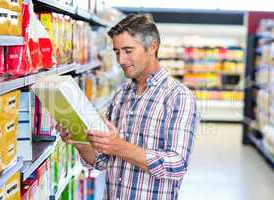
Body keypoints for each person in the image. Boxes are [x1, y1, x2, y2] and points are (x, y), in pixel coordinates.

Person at [57, 13, 198, 200]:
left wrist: (119, 147)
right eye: (116, 52)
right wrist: (80, 142)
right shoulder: (121, 95)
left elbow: (177, 165)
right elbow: (102, 161)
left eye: (128, 50)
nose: (121, 60)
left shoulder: (178, 97)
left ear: (152, 47)